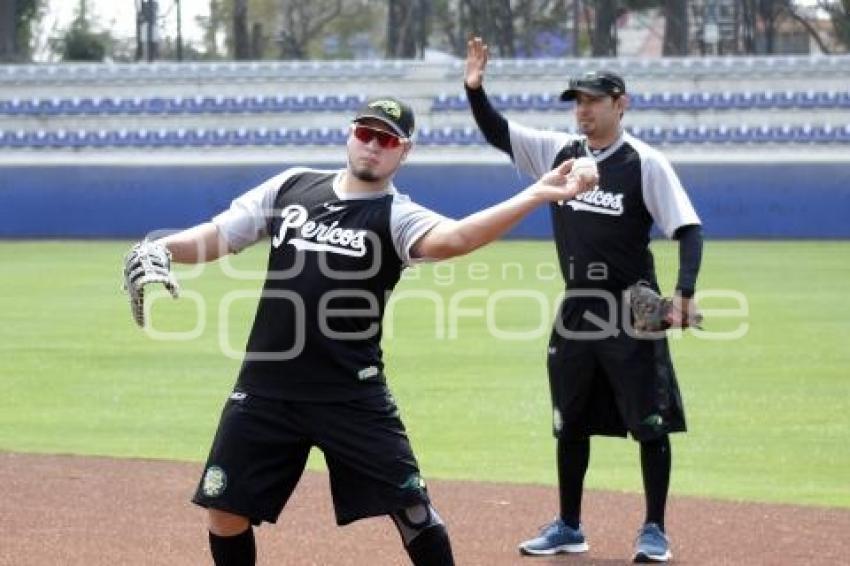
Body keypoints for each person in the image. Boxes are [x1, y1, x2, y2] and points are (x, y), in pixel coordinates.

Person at [124, 96, 597, 566]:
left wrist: (536, 193)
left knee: (413, 511)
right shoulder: (293, 186)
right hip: (266, 387)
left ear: (403, 152)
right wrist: (164, 247)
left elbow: (457, 238)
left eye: (387, 139)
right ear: (350, 134)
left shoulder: (396, 215)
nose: (373, 145)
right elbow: (221, 234)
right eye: (366, 133)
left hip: (351, 392)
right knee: (224, 510)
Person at [463, 38, 704, 563]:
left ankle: (654, 530)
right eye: (578, 100)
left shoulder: (645, 162)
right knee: (569, 421)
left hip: (632, 310)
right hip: (577, 309)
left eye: (594, 100)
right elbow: (500, 133)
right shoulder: (561, 153)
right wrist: (475, 90)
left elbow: (687, 229)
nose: (583, 109)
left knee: (649, 423)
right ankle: (569, 526)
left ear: (621, 103)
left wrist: (684, 292)